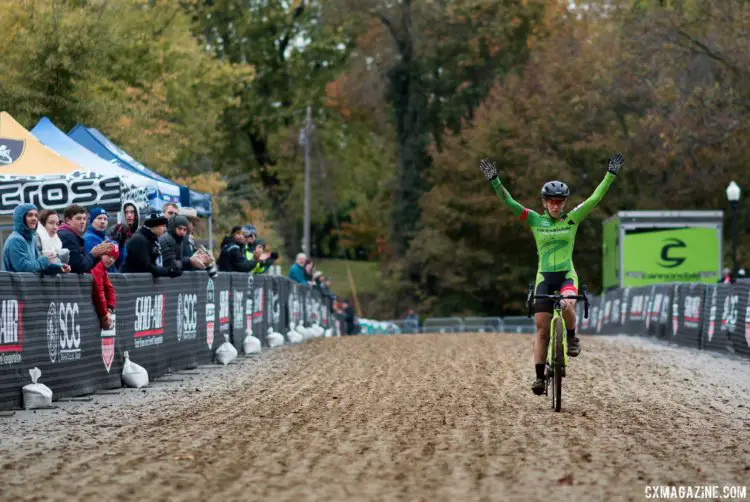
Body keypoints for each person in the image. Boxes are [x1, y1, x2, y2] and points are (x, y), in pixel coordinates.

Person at [478, 153, 623, 395]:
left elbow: (595, 199)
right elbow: (510, 203)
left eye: (560, 201)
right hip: (544, 278)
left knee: (567, 305)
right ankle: (538, 378)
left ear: (565, 203)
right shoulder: (534, 220)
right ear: (544, 202)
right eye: (552, 201)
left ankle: (572, 336)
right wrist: (495, 182)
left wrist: (610, 174)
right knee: (542, 330)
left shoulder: (573, 218)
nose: (556, 205)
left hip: (567, 275)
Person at [3, 204, 70, 274]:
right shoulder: (16, 240)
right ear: (20, 218)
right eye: (30, 215)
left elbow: (37, 266)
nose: (34, 218)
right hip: (16, 285)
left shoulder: (32, 239)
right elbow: (23, 267)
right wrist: (45, 260)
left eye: (36, 215)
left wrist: (58, 268)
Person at [121, 209, 179, 277]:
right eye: (163, 226)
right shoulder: (139, 240)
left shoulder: (152, 239)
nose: (165, 229)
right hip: (129, 284)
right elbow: (147, 267)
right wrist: (169, 271)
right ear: (154, 225)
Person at [59, 204, 111, 274]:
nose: (82, 222)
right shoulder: (67, 236)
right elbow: (78, 267)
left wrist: (97, 254)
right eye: (78, 218)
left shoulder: (71, 235)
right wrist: (93, 254)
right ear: (68, 220)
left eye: (84, 219)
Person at [91, 244, 118, 330]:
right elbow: (99, 291)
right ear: (101, 254)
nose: (111, 260)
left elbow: (110, 289)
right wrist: (104, 313)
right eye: (109, 255)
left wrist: (109, 309)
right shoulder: (97, 268)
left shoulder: (103, 269)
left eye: (114, 258)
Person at [107, 201, 139, 270]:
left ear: (136, 214)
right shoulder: (115, 230)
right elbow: (110, 256)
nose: (129, 215)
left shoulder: (141, 232)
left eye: (132, 212)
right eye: (126, 212)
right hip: (119, 270)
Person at [84, 207, 115, 272]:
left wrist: (121, 245)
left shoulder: (106, 238)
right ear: (92, 221)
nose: (103, 222)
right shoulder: (89, 238)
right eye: (99, 218)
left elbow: (117, 263)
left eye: (105, 219)